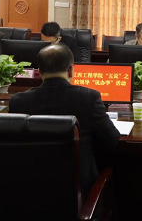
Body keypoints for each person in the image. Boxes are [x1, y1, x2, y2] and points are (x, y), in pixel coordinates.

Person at [9, 45, 120, 197]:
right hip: (79, 192)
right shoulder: (89, 98)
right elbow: (112, 141)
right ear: (71, 70)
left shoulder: (18, 101)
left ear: (39, 72)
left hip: (30, 189)